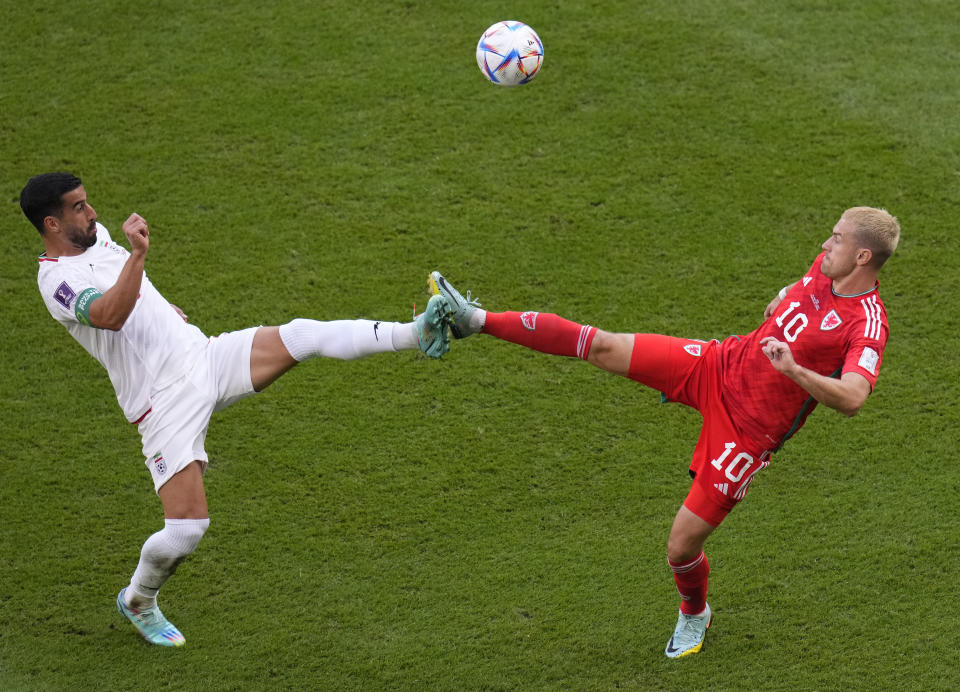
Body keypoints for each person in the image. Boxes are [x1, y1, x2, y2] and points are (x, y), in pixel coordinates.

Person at [429, 206, 900, 658]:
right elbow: (802, 292)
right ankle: (477, 320)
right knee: (602, 345)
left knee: (680, 545)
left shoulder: (868, 323)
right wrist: (783, 296)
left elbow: (854, 397)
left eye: (837, 237)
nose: (825, 242)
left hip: (747, 435)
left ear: (862, 257)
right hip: (717, 365)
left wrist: (794, 370)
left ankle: (695, 612)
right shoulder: (827, 267)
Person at [20, 172, 451, 648]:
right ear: (52, 223)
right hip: (162, 403)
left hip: (202, 355)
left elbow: (133, 296)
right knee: (186, 531)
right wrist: (139, 256)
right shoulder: (56, 280)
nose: (93, 213)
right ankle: (139, 599)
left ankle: (417, 332)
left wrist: (164, 309)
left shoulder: (97, 238)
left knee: (304, 335)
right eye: (79, 207)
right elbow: (109, 315)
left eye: (88, 202)